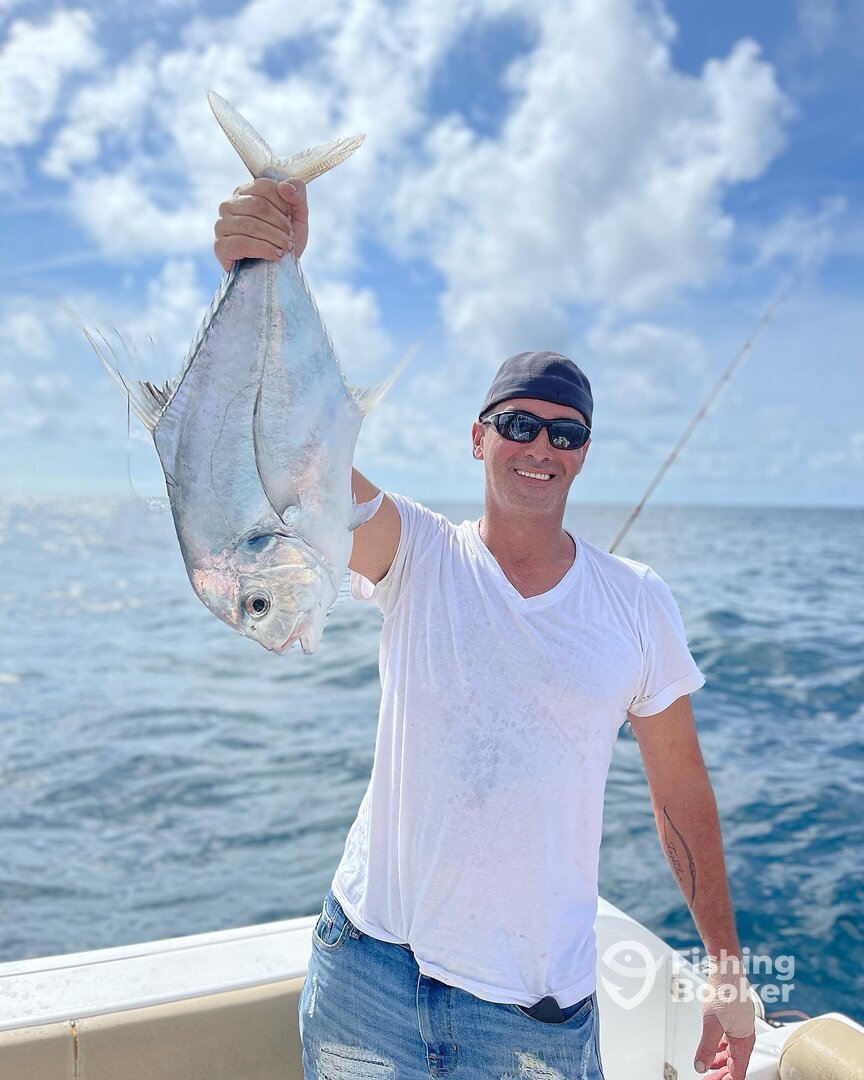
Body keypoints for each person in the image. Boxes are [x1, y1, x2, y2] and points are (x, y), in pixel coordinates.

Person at [214, 180, 757, 1080]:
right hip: (368, 974)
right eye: (518, 423)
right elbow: (304, 458)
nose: (541, 446)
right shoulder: (418, 554)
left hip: (531, 1016)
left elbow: (681, 797)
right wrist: (264, 275)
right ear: (478, 437)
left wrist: (726, 970)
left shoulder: (637, 601)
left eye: (565, 432)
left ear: (584, 453)